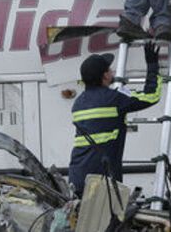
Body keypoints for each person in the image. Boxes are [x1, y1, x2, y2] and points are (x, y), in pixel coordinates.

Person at [68, 48, 162, 196]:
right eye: (109, 69)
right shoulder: (115, 98)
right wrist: (152, 66)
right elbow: (152, 96)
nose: (112, 71)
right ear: (105, 76)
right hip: (103, 180)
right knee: (107, 218)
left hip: (78, 177)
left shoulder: (78, 104)